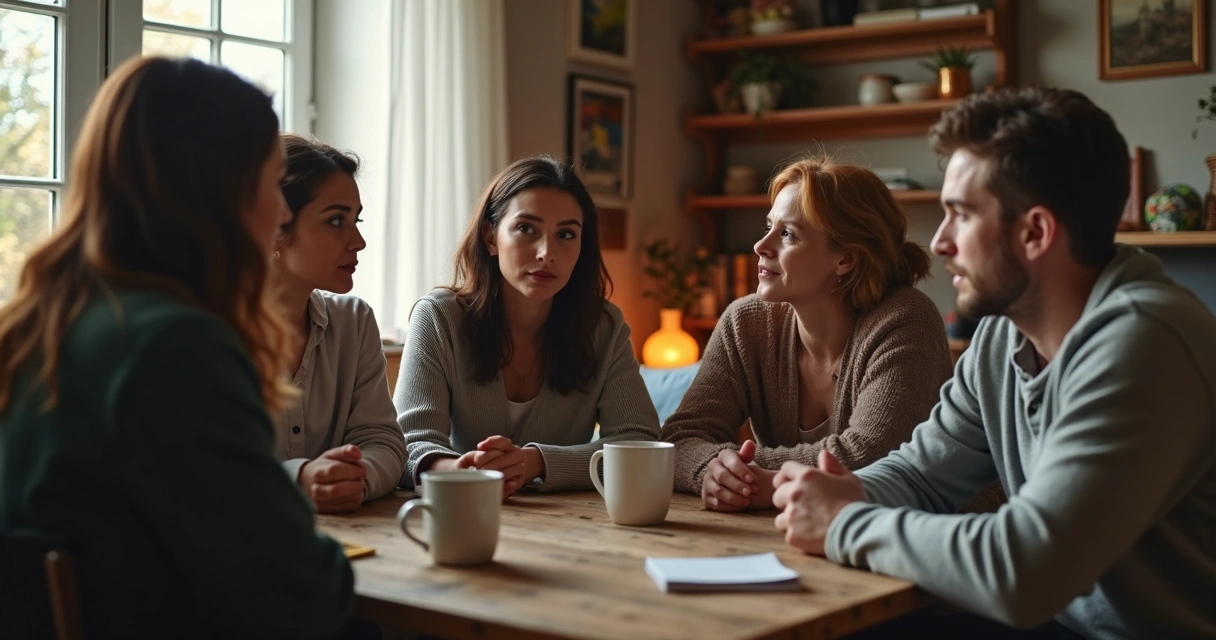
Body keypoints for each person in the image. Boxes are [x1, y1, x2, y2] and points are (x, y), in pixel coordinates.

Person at [772, 87, 1216, 639]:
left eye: (960, 215)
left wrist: (844, 522)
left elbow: (1026, 567)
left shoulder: (1146, 344)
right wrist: (840, 491)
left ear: (1035, 232)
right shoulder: (1004, 334)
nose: (938, 242)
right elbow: (922, 473)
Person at [0, 57, 353, 638]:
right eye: (271, 184)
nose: (283, 212)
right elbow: (299, 593)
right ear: (215, 193)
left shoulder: (38, 324)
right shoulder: (175, 346)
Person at [661, 156, 956, 513]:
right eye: (768, 226)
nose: (761, 246)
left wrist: (758, 478)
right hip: (797, 531)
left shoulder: (906, 319)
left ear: (846, 259)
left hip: (937, 540)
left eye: (787, 234)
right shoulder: (746, 323)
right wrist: (712, 469)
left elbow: (872, 457)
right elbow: (680, 438)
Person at [396, 156, 659, 496]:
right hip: (464, 511)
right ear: (491, 237)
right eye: (526, 229)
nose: (547, 253)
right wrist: (462, 471)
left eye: (566, 234)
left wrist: (535, 462)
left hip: (572, 528)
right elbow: (407, 446)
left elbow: (639, 443)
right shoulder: (438, 319)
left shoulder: (603, 328)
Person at [270, 134, 406, 512]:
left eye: (355, 220)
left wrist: (350, 479)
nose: (358, 241)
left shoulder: (354, 321)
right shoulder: (207, 332)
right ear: (275, 229)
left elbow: (383, 440)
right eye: (335, 221)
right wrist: (301, 479)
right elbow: (195, 465)